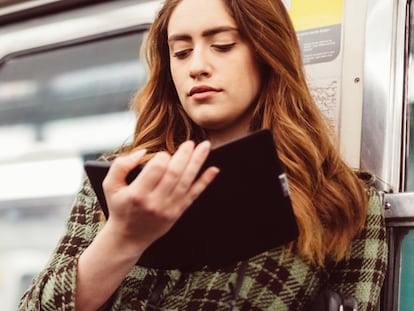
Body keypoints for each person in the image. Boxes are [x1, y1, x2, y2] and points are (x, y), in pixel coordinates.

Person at [18, 0, 387, 310]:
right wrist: (122, 238)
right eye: (181, 52)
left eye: (223, 45)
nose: (197, 66)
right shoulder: (124, 177)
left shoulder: (340, 198)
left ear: (266, 51)